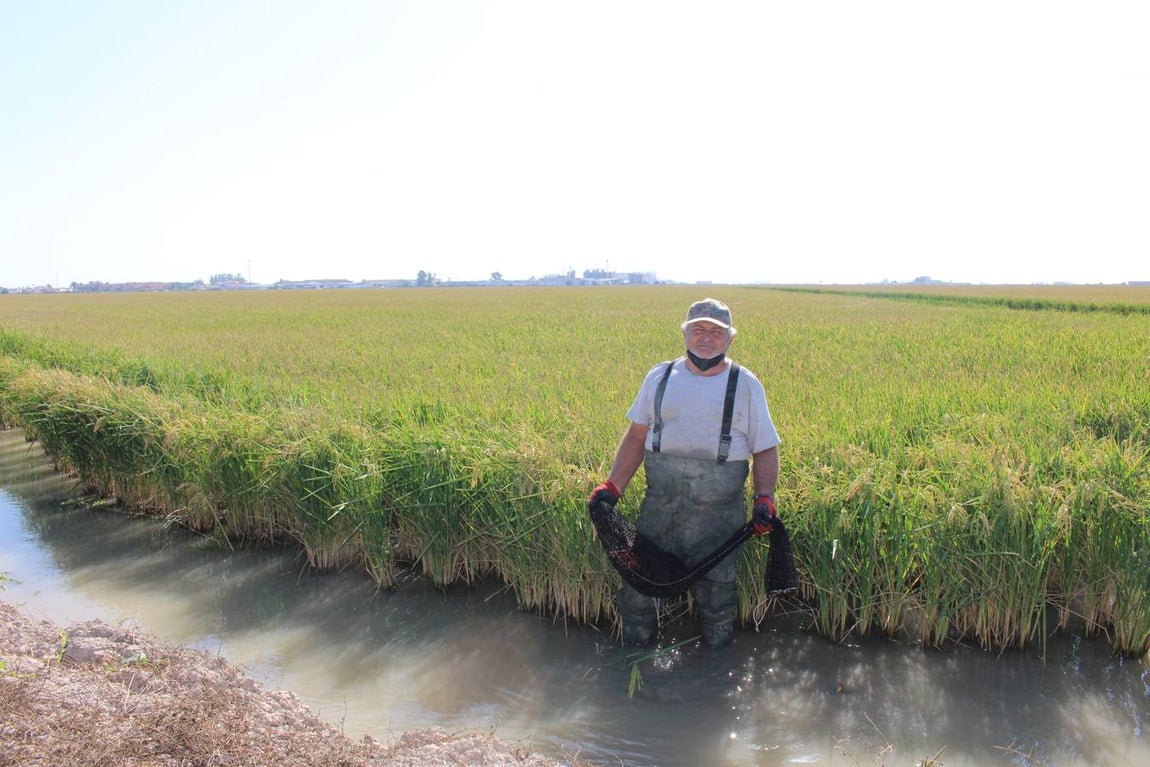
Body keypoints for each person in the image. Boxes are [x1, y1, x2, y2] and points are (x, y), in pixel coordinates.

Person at [589, 297, 781, 649]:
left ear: (730, 338)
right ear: (684, 333)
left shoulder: (745, 384)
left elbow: (765, 449)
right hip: (659, 511)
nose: (706, 337)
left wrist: (764, 498)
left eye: (716, 331)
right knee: (639, 591)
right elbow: (636, 437)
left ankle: (716, 665)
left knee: (717, 596)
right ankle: (632, 659)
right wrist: (612, 487)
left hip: (720, 520)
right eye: (698, 329)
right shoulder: (660, 377)